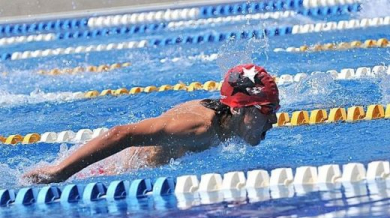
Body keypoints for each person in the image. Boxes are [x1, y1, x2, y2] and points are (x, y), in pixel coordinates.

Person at [24, 64, 280, 184]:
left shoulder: (227, 116)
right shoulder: (198, 128)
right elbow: (122, 134)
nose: (274, 119)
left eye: (275, 109)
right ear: (239, 109)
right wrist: (60, 172)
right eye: (267, 110)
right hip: (111, 174)